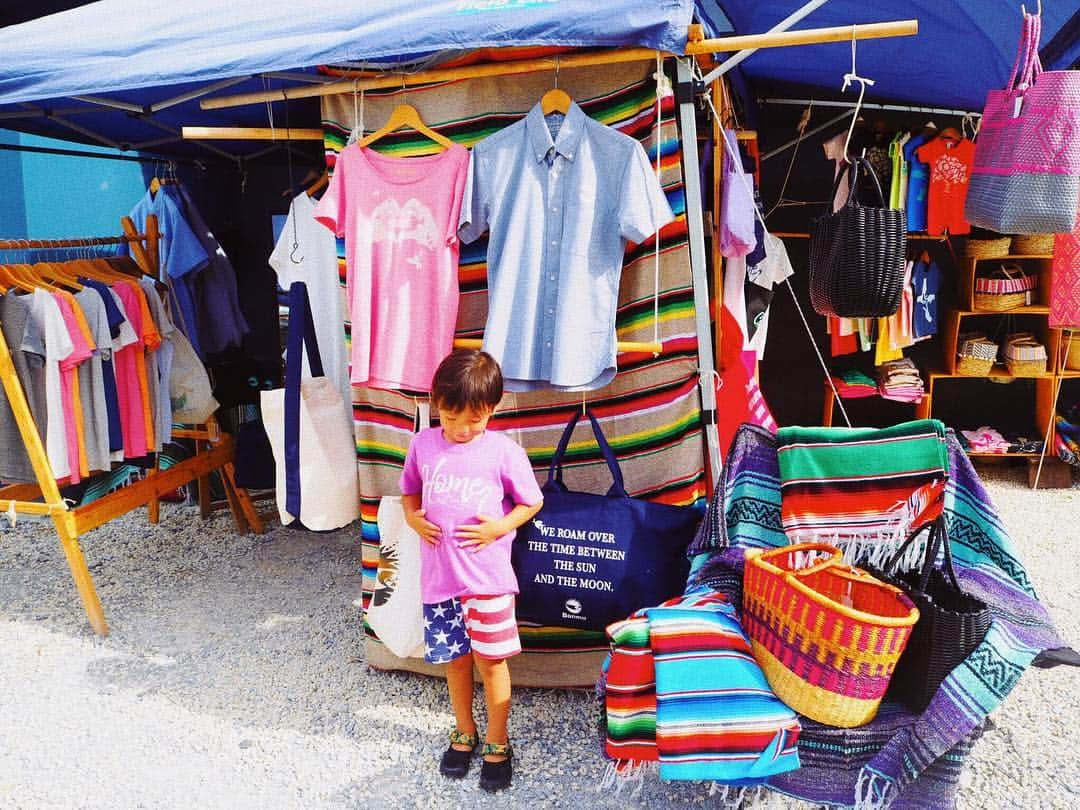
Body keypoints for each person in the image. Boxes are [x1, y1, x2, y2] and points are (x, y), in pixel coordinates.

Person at [399, 349, 543, 792]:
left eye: (475, 420)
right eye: (452, 417)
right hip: (440, 581)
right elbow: (409, 491)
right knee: (456, 661)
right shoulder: (422, 444)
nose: (462, 430)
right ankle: (464, 730)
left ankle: (498, 740)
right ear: (435, 403)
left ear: (493, 410)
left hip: (487, 582)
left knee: (492, 661)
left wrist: (499, 526)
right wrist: (412, 517)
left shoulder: (504, 451)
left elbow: (532, 501)